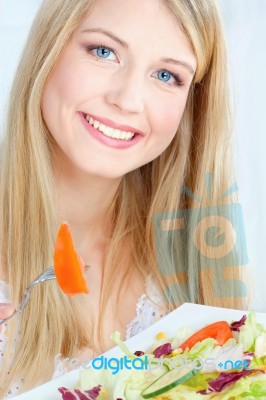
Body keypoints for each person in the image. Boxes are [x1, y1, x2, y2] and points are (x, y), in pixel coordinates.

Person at [0, 0, 251, 397]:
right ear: (50, 46)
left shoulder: (200, 256)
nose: (128, 100)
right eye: (104, 52)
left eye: (166, 75)